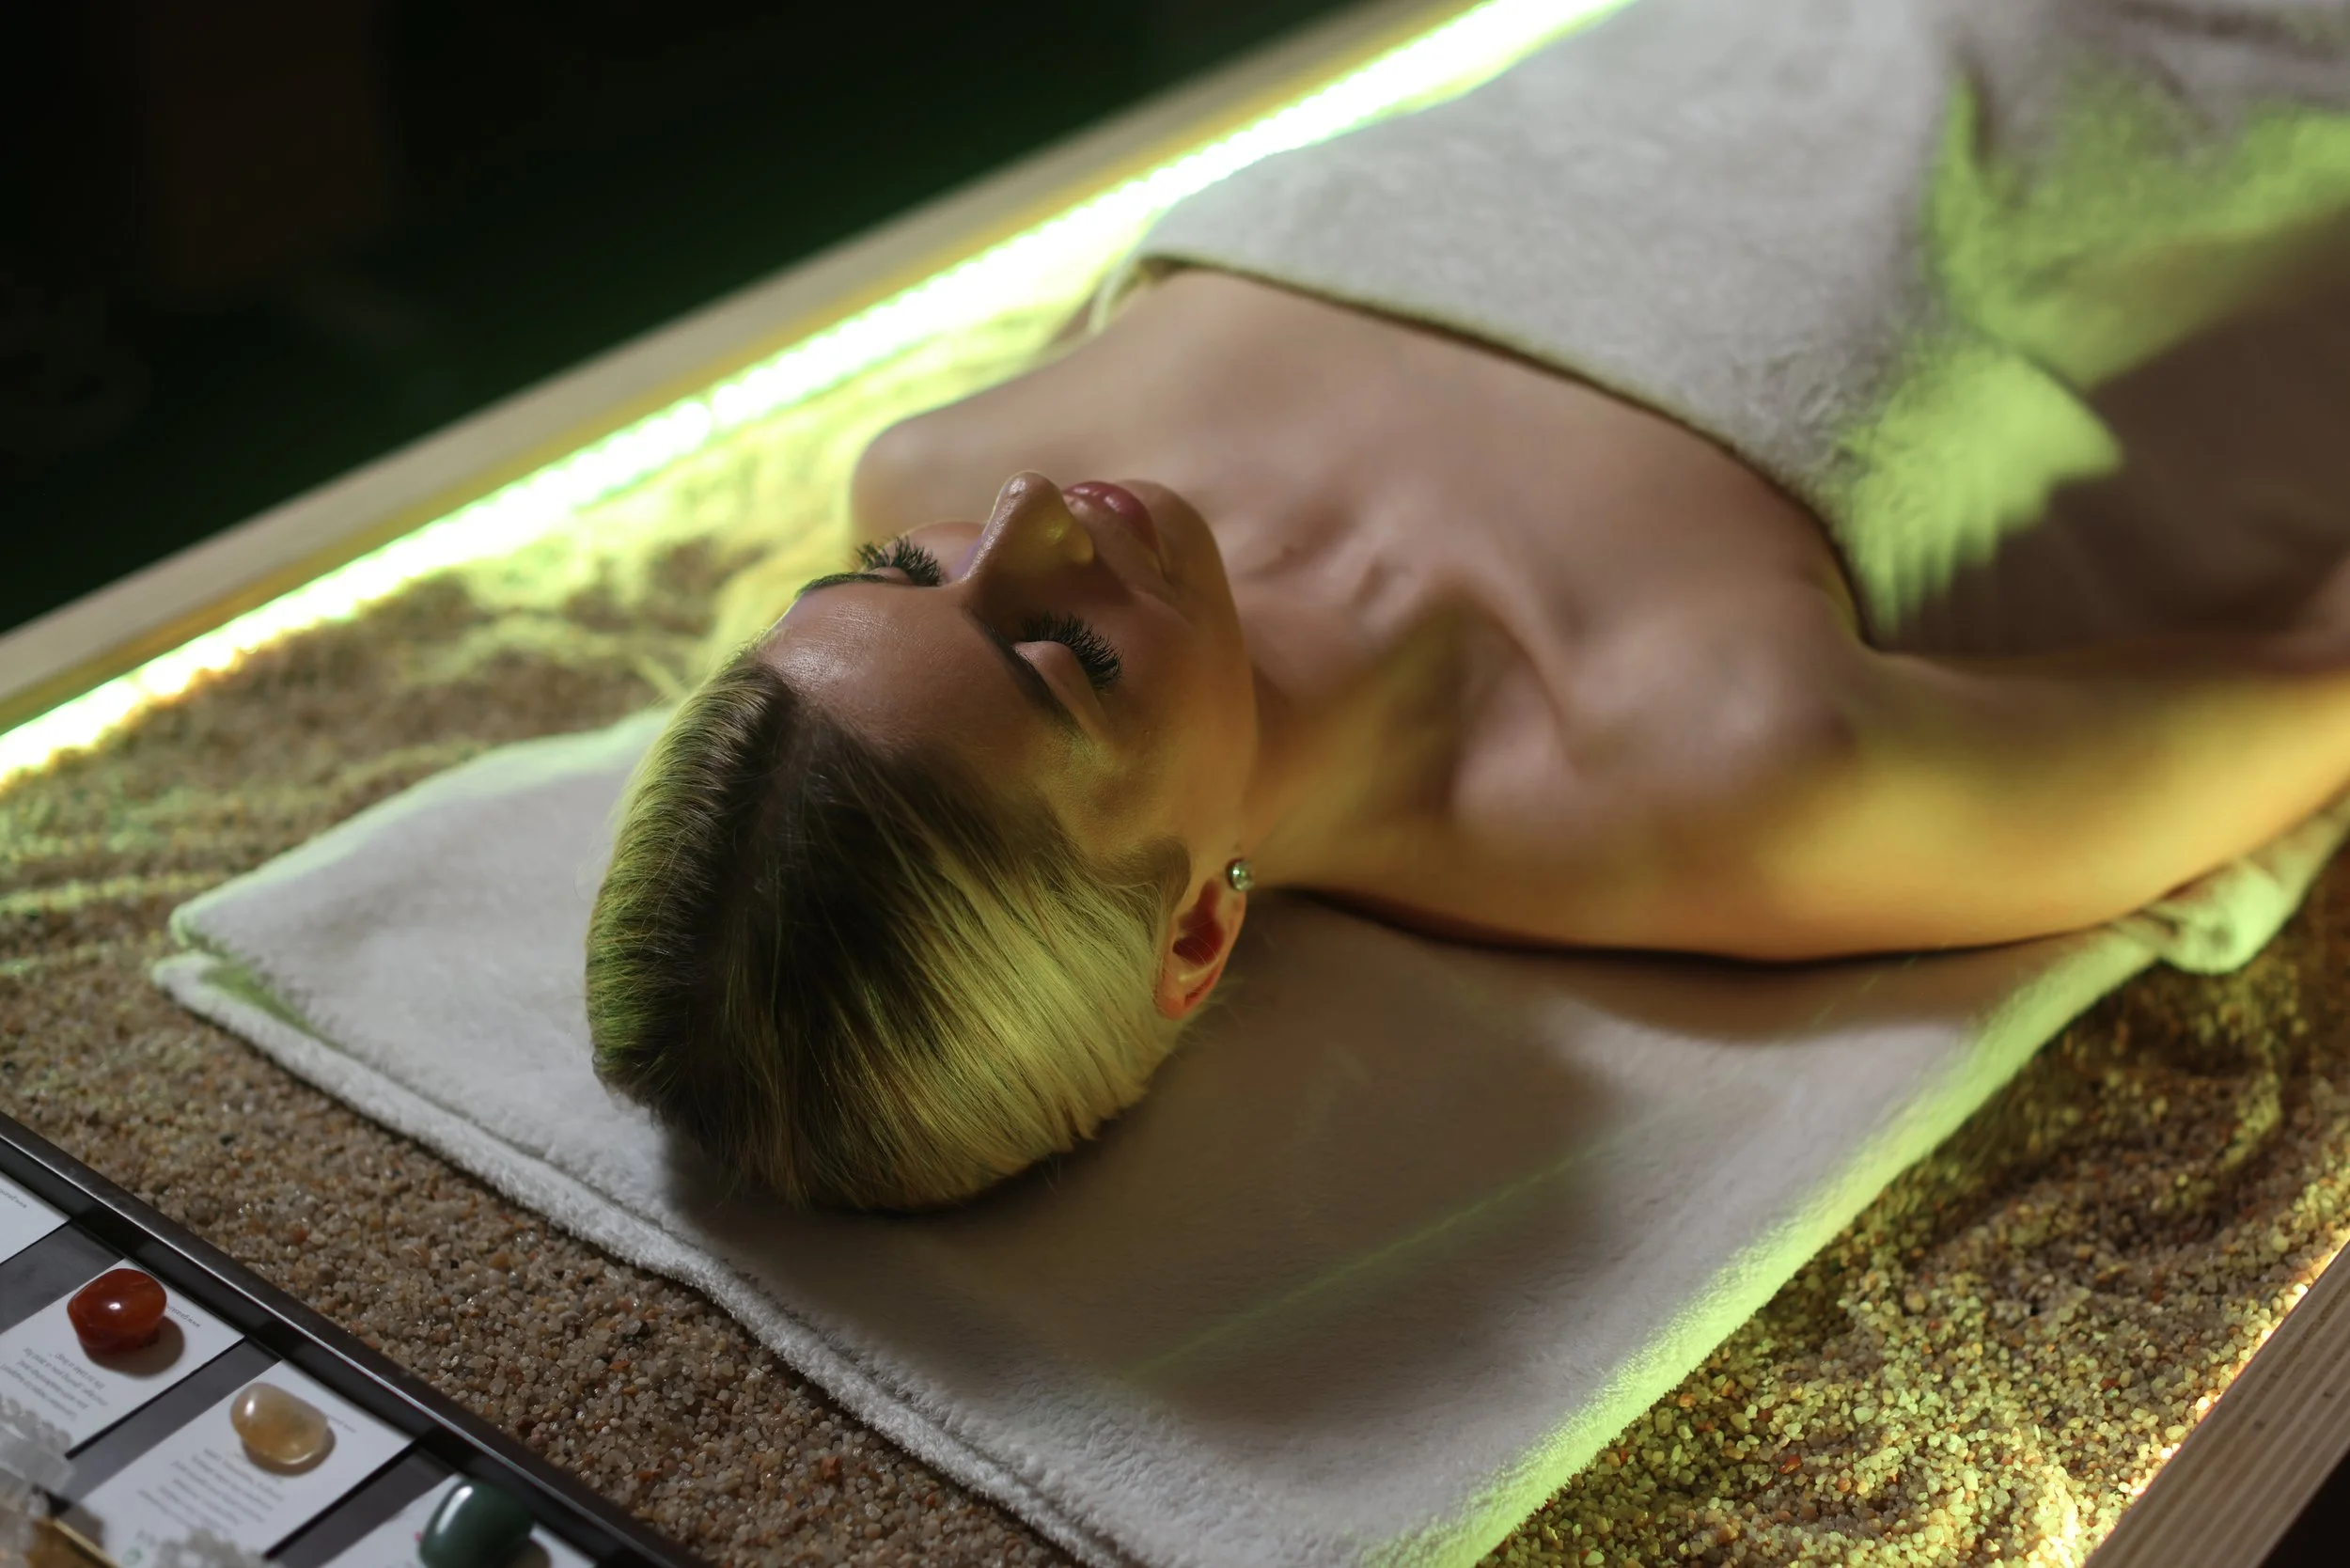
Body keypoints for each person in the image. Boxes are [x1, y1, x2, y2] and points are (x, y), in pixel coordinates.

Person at [587, 0, 2350, 1210]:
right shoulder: (1700, 765)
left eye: (901, 576)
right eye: (1063, 657)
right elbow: (2314, 690)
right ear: (1192, 935)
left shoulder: (940, 463)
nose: (1027, 518)